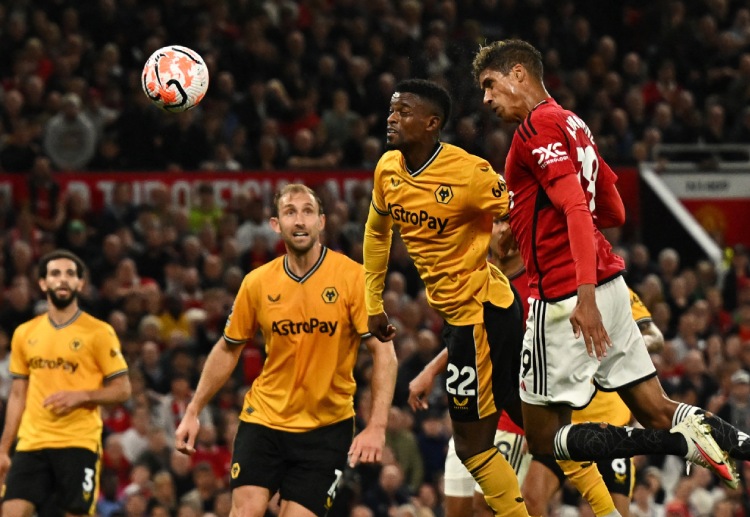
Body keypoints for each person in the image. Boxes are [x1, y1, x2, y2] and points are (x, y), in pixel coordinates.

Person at [472, 38, 749, 493]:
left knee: (542, 439)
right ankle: (730, 443)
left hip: (563, 296)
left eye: (489, 84)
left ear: (518, 73)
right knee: (658, 407)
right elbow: (614, 210)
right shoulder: (574, 123)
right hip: (612, 285)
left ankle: (672, 446)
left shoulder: (534, 131)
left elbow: (578, 209)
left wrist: (582, 296)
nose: (485, 99)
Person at [175, 184, 397, 517]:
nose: (299, 220)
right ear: (276, 225)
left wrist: (377, 426)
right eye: (290, 212)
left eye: (308, 211)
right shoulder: (257, 282)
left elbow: (384, 353)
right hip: (265, 420)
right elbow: (227, 348)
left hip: (327, 428)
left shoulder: (353, 278)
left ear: (322, 222)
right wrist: (193, 409)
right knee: (246, 510)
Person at [363, 78, 530, 516]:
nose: (391, 118)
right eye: (392, 110)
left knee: (475, 448)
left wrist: (520, 256)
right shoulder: (388, 169)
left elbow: (521, 211)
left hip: (484, 313)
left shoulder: (468, 173)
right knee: (526, 430)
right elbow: (377, 232)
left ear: (431, 123)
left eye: (403, 112)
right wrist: (373, 301)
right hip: (462, 319)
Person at [0, 249, 132, 516]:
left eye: (70, 274)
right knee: (11, 511)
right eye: (55, 274)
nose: (63, 279)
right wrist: (4, 449)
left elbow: (123, 388)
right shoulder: (24, 333)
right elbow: (17, 395)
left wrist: (82, 396)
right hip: (31, 443)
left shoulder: (99, 332)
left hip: (78, 442)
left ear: (80, 284)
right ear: (43, 283)